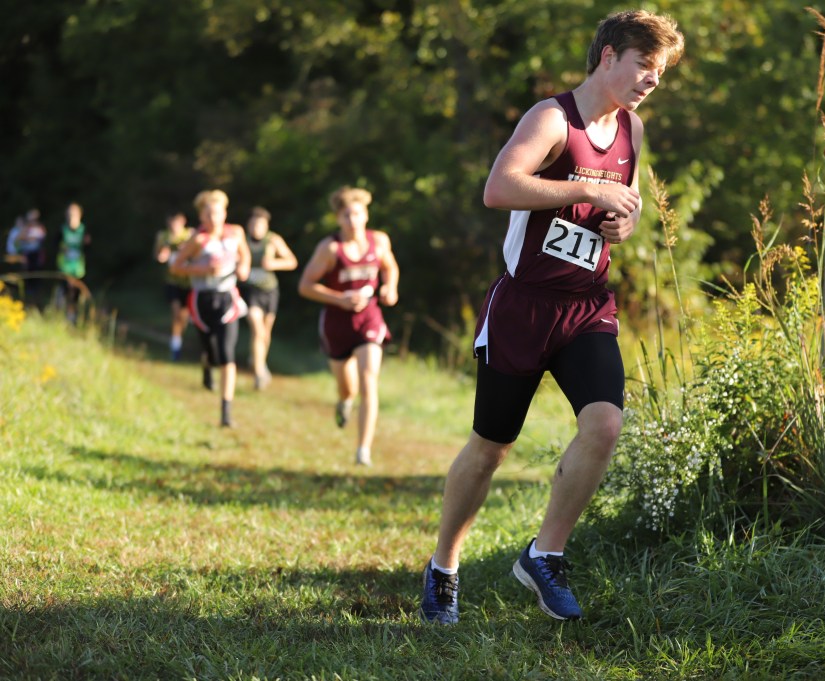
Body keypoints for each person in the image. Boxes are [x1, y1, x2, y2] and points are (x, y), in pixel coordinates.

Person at [419, 9, 684, 624]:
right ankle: (443, 568)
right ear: (609, 56)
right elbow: (500, 188)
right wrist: (586, 189)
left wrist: (625, 222)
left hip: (587, 306)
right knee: (491, 448)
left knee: (605, 424)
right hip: (524, 306)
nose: (653, 80)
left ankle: (545, 554)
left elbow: (625, 205)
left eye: (661, 72)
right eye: (645, 65)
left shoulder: (633, 130)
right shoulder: (552, 118)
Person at [298, 186, 399, 466]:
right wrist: (339, 299)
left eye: (357, 213)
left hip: (369, 318)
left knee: (369, 380)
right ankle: (344, 402)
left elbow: (390, 267)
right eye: (346, 215)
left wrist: (390, 288)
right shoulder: (330, 248)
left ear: (366, 215)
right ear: (338, 219)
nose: (352, 220)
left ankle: (363, 450)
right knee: (348, 389)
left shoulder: (379, 241)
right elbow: (305, 285)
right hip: (337, 324)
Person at [170, 190, 251, 427]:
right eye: (208, 214)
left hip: (227, 298)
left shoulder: (236, 233)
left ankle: (226, 412)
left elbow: (245, 256)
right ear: (201, 217)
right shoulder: (197, 240)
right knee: (212, 352)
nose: (214, 218)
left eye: (217, 213)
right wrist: (202, 270)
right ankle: (207, 363)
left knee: (227, 354)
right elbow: (176, 267)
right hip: (202, 300)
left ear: (225, 213)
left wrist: (243, 269)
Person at [241, 206, 297, 389]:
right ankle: (259, 374)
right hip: (250, 291)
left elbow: (292, 262)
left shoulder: (273, 240)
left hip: (269, 290)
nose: (256, 228)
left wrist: (273, 263)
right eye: (253, 224)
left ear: (266, 226)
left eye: (260, 225)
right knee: (257, 330)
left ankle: (259, 361)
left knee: (265, 333)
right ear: (248, 225)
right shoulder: (242, 241)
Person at [154, 212, 195, 361]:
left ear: (183, 221)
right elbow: (158, 255)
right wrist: (162, 254)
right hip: (172, 281)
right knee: (176, 313)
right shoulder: (163, 236)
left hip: (188, 282)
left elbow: (197, 254)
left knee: (183, 317)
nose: (173, 226)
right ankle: (175, 347)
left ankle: (177, 341)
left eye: (176, 222)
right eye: (171, 222)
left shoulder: (190, 235)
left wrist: (186, 250)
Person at [55, 202, 91, 323]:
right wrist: (62, 248)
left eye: (74, 215)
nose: (72, 218)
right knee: (63, 292)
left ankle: (72, 319)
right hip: (64, 267)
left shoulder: (84, 230)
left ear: (80, 216)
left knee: (75, 295)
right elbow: (54, 245)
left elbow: (89, 248)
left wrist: (87, 244)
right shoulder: (62, 230)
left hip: (78, 268)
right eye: (70, 215)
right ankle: (58, 318)